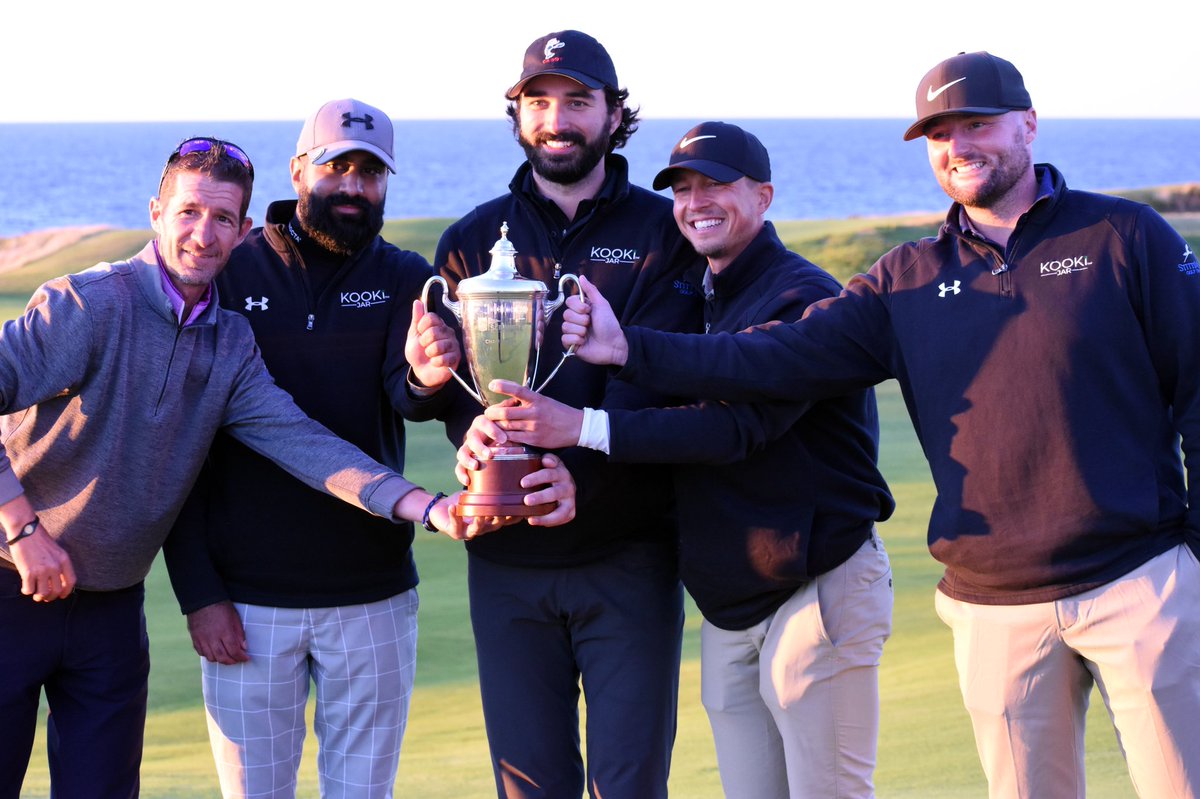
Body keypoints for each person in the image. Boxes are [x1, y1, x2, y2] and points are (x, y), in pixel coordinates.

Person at [563, 52, 1200, 799]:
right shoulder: (908, 278)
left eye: (977, 124)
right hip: (994, 604)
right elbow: (774, 356)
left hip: (1138, 580)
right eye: (939, 134)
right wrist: (628, 348)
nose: (959, 146)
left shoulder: (1124, 236)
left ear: (1028, 123)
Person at [0, 137, 513, 798]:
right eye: (187, 212)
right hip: (10, 586)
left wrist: (427, 506)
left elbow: (304, 443)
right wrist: (20, 527)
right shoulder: (90, 304)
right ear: (156, 211)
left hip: (110, 613)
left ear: (243, 232)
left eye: (221, 219)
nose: (202, 233)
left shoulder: (229, 339)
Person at [463, 122, 897, 798]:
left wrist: (591, 413)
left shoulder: (802, 294)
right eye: (683, 188)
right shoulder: (707, 294)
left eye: (717, 185)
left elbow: (737, 425)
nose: (697, 201)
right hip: (734, 604)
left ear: (765, 195)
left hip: (817, 585)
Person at [159, 102, 574, 799]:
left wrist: (426, 373)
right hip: (248, 603)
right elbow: (180, 447)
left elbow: (410, 397)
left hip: (373, 598)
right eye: (337, 167)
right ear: (299, 171)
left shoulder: (405, 276)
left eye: (371, 172)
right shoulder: (231, 272)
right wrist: (200, 593)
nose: (354, 186)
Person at [410, 30, 701, 799]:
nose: (557, 119)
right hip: (506, 559)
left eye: (578, 102)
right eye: (539, 102)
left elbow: (664, 381)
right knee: (529, 789)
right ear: (518, 116)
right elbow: (443, 394)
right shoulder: (474, 238)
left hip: (628, 552)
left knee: (628, 786)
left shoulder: (664, 232)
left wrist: (582, 478)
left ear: (613, 114)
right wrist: (423, 379)